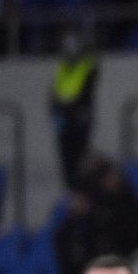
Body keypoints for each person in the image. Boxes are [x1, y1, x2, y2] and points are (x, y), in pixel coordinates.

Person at [50, 27, 99, 190]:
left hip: (79, 118)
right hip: (64, 120)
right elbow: (55, 93)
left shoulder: (88, 65)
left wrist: (70, 105)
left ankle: (84, 190)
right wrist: (56, 107)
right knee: (66, 161)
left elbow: (86, 90)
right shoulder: (63, 67)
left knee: (81, 159)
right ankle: (72, 192)